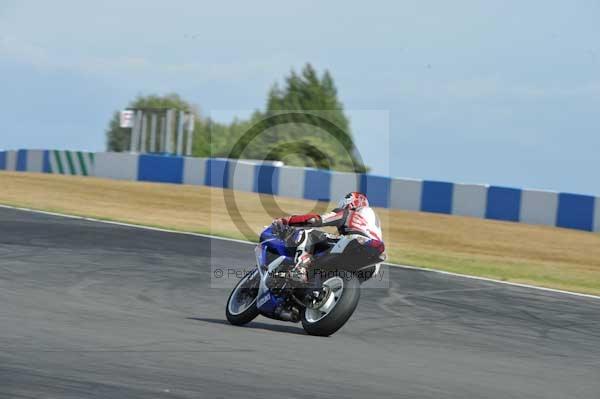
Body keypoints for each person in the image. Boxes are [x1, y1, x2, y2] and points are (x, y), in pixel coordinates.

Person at [272, 192, 386, 283]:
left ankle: (300, 269)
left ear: (350, 203)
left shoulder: (349, 212)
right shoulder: (374, 222)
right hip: (373, 266)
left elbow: (314, 220)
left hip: (355, 242)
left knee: (308, 233)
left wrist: (288, 220)